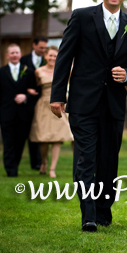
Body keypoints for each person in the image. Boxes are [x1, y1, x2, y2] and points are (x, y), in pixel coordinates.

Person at [50, 0, 127, 232]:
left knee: (108, 161)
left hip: (113, 104)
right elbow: (64, 57)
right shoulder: (81, 16)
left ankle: (103, 211)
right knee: (86, 160)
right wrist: (58, 95)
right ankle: (88, 215)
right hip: (83, 102)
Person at [30, 46, 73, 178]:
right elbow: (35, 86)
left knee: (57, 138)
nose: (53, 58)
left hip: (59, 104)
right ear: (45, 56)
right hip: (43, 106)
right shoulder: (38, 71)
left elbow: (70, 85)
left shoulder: (65, 70)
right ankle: (44, 162)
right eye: (50, 56)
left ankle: (52, 169)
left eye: (55, 56)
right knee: (44, 139)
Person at [0, 44, 36, 177]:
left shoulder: (29, 71)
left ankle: (15, 165)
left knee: (20, 142)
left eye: (17, 52)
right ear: (7, 55)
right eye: (12, 53)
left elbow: (35, 92)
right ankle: (11, 170)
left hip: (23, 114)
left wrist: (25, 96)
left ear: (20, 55)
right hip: (6, 113)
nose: (15, 55)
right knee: (8, 142)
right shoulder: (1, 72)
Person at [20, 35, 48, 171]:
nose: (43, 50)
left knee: (39, 131)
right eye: (41, 47)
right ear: (34, 45)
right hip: (27, 103)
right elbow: (18, 81)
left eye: (45, 48)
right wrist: (26, 90)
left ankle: (38, 162)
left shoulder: (47, 61)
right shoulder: (23, 60)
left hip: (42, 102)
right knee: (26, 132)